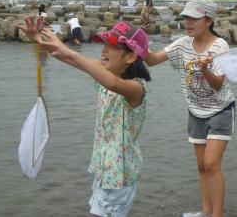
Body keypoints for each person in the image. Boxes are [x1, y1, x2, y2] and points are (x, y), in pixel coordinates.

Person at [16, 19, 151, 217]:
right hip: (104, 171)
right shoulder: (105, 71)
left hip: (119, 176)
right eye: (104, 44)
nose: (104, 50)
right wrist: (39, 39)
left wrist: (70, 51)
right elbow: (69, 59)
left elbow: (113, 84)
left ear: (130, 56)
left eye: (112, 46)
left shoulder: (136, 88)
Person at [145, 0, 235, 217]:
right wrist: (137, 44)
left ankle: (217, 215)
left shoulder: (220, 46)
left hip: (220, 110)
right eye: (185, 17)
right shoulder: (182, 43)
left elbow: (217, 84)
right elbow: (152, 60)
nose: (188, 22)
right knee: (201, 166)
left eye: (194, 18)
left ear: (209, 20)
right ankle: (205, 211)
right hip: (195, 112)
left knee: (211, 163)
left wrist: (205, 69)